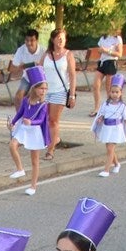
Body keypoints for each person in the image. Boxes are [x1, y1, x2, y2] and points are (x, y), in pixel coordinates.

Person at [8, 68, 49, 196]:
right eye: (41, 88)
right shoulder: (26, 100)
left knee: (34, 160)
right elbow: (20, 112)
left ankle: (33, 186)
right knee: (12, 145)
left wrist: (32, 122)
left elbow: (41, 120)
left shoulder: (43, 105)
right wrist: (13, 122)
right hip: (24, 128)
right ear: (34, 88)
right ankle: (20, 169)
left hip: (34, 131)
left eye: (45, 89)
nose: (43, 91)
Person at [39, 28, 77, 162]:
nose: (61, 40)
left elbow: (72, 75)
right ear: (53, 39)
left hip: (60, 91)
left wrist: (72, 95)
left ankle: (50, 150)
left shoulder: (68, 55)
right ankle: (55, 139)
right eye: (58, 38)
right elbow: (39, 69)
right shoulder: (47, 54)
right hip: (45, 91)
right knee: (45, 118)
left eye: (63, 38)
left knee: (53, 120)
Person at [92, 74, 126, 176]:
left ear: (121, 93)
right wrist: (100, 119)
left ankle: (106, 170)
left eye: (117, 92)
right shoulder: (106, 104)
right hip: (107, 128)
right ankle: (117, 164)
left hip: (116, 129)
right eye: (112, 92)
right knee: (109, 149)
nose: (114, 94)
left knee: (110, 149)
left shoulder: (122, 106)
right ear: (109, 92)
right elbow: (102, 114)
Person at [91, 25, 124, 115]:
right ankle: (97, 108)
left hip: (111, 62)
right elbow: (99, 49)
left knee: (109, 88)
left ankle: (110, 107)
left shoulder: (117, 39)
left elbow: (119, 54)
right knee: (96, 85)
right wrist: (101, 50)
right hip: (102, 62)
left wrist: (107, 51)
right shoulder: (103, 38)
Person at [8, 30, 43, 106]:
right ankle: (20, 116)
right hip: (27, 77)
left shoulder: (44, 51)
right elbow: (12, 69)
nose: (29, 43)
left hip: (41, 78)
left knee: (36, 96)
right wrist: (21, 67)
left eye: (32, 40)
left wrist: (38, 65)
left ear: (37, 40)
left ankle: (37, 116)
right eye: (27, 40)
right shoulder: (21, 50)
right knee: (18, 96)